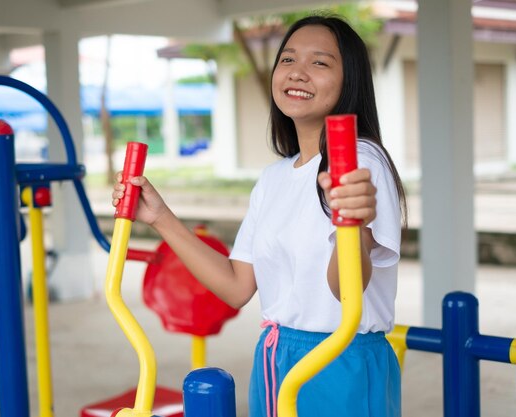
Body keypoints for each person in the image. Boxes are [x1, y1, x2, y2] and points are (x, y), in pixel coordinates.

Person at [112, 14, 406, 417]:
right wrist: (161, 217)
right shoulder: (274, 178)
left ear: (349, 80)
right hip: (274, 355)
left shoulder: (359, 159)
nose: (298, 72)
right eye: (287, 60)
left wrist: (351, 227)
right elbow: (237, 287)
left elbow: (346, 291)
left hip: (339, 359)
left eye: (319, 62)